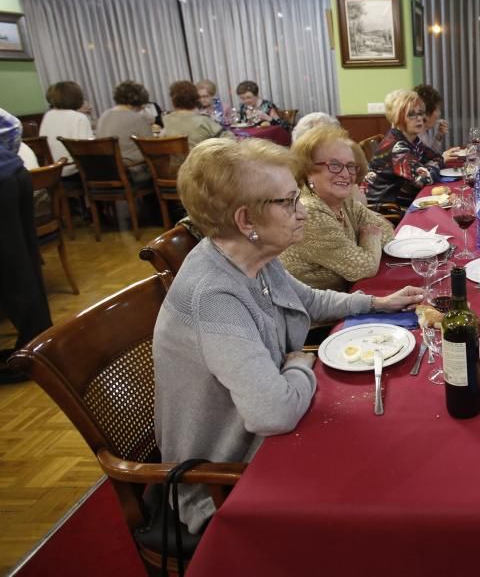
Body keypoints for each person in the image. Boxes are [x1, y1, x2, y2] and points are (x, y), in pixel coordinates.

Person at [154, 137, 423, 534]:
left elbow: (308, 300)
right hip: (226, 477)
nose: (302, 213)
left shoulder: (249, 255)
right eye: (288, 202)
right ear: (246, 221)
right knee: (389, 486)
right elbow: (273, 413)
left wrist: (378, 304)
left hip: (266, 436)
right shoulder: (214, 295)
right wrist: (299, 364)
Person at [281, 125, 394, 291]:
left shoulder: (343, 202)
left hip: (345, 298)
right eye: (334, 165)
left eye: (350, 166)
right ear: (308, 170)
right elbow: (363, 268)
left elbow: (388, 231)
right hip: (315, 313)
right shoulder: (309, 211)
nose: (346, 173)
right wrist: (369, 237)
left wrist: (365, 248)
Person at [0, 108, 53, 384]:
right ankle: (37, 341)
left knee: (11, 266)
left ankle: (30, 353)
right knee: (23, 261)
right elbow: (10, 124)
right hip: (12, 170)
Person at [364, 90, 443, 208]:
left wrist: (428, 167)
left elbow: (437, 157)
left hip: (403, 201)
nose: (419, 118)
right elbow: (426, 178)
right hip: (386, 210)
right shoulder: (396, 146)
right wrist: (429, 167)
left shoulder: (413, 140)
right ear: (398, 118)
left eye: (421, 113)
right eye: (411, 114)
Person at [95, 80, 153, 182]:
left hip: (107, 171)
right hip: (132, 172)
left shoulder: (104, 115)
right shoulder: (136, 118)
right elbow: (151, 146)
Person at [39, 81, 93, 178]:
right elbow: (87, 150)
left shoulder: (48, 115)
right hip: (71, 169)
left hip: (52, 169)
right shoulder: (79, 117)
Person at [162, 80, 229, 147]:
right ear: (195, 99)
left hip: (178, 157)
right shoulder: (202, 120)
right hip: (201, 156)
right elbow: (229, 139)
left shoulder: (166, 120)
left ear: (173, 102)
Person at [414, 84, 449, 153]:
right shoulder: (414, 136)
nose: (439, 113)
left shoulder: (422, 132)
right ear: (426, 113)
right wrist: (443, 158)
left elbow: (431, 154)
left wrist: (439, 134)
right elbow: (424, 163)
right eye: (437, 110)